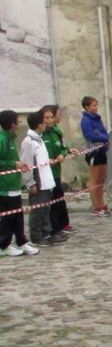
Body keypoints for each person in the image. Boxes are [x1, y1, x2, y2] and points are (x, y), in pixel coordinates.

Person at [21, 111, 65, 247]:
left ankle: (46, 233)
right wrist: (30, 182)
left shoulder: (39, 139)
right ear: (40, 125)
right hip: (38, 181)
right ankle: (36, 236)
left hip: (47, 181)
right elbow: (26, 163)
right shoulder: (29, 142)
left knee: (46, 210)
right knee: (37, 211)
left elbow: (40, 159)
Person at [0, 110, 38, 257]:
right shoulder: (2, 140)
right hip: (4, 187)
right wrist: (13, 164)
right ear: (12, 123)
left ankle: (22, 242)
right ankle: (4, 245)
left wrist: (18, 165)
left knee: (18, 217)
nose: (20, 123)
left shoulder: (11, 139)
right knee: (7, 219)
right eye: (18, 121)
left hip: (14, 185)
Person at [41, 105, 79, 237]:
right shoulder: (40, 135)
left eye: (51, 117)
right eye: (47, 118)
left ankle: (62, 225)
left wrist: (64, 152)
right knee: (51, 203)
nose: (50, 120)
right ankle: (53, 229)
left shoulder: (56, 131)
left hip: (56, 172)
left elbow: (62, 146)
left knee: (59, 199)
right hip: (45, 174)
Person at [80, 96, 111, 216]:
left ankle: (102, 204)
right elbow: (90, 135)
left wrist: (104, 138)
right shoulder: (86, 120)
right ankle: (96, 207)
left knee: (101, 180)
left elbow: (103, 132)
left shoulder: (98, 119)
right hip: (94, 152)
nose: (96, 107)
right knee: (94, 180)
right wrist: (104, 138)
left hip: (102, 151)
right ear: (87, 107)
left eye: (96, 105)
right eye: (93, 105)